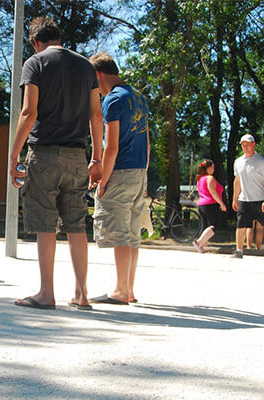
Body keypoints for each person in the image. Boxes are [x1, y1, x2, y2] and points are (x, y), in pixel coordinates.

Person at [9, 17, 103, 310]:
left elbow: (29, 112)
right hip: (77, 155)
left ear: (36, 42)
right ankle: (82, 294)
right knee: (76, 224)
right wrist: (96, 157)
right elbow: (96, 115)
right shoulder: (86, 66)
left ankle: (46, 293)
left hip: (45, 154)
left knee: (45, 224)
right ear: (58, 37)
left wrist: (13, 155)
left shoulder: (35, 63)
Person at [88, 51, 149, 305]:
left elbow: (110, 147)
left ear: (98, 74)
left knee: (119, 233)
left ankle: (120, 290)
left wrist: (103, 180)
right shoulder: (138, 96)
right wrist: (144, 173)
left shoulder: (113, 100)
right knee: (133, 233)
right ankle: (129, 289)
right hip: (139, 171)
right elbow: (146, 141)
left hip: (120, 170)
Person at [231, 134, 264, 259]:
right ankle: (239, 250)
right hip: (244, 200)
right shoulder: (238, 162)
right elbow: (237, 181)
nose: (246, 147)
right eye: (243, 144)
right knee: (241, 225)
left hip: (260, 200)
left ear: (254, 144)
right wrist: (235, 198)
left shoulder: (262, 162)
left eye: (248, 144)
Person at [192, 159, 226, 253]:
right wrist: (221, 203)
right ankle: (199, 243)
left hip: (201, 204)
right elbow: (213, 192)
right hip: (210, 204)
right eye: (212, 167)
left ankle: (202, 245)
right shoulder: (209, 178)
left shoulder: (200, 179)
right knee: (214, 225)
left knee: (205, 226)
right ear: (208, 168)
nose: (213, 169)